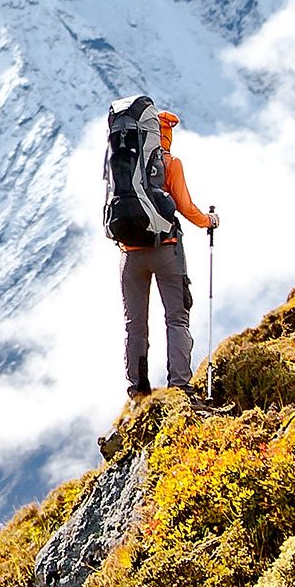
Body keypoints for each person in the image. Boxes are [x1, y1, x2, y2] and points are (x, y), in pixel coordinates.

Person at [107, 100, 219, 397]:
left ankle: (137, 389)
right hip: (165, 249)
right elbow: (185, 207)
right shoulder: (169, 163)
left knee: (135, 324)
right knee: (176, 317)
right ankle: (179, 385)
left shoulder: (116, 163)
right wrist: (209, 221)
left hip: (129, 254)